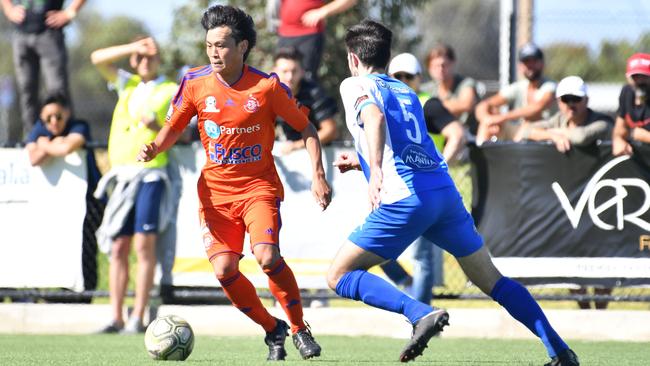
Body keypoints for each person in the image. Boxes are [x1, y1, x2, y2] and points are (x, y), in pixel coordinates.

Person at [328, 19, 579, 366]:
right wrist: (363, 164)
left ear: (353, 58)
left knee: (339, 275)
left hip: (406, 198)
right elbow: (410, 145)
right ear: (388, 57)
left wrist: (375, 174)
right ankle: (560, 351)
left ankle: (418, 313)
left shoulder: (354, 84)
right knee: (493, 281)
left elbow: (374, 119)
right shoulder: (408, 92)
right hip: (443, 194)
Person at [136, 5, 332, 361]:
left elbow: (306, 128)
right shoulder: (195, 83)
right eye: (209, 44)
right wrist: (155, 146)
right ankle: (272, 329)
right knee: (225, 269)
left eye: (222, 45)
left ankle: (298, 327)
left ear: (242, 47)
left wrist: (318, 175)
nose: (214, 52)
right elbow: (174, 128)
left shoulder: (267, 86)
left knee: (267, 256)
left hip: (258, 188)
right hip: (215, 196)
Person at [90, 36, 179, 334]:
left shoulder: (170, 89)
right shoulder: (125, 84)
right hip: (122, 176)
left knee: (143, 245)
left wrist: (157, 127)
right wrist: (133, 46)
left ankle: (137, 316)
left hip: (151, 174)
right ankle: (115, 316)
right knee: (118, 247)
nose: (144, 61)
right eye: (140, 57)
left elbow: (181, 129)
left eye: (150, 56)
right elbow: (97, 57)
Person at [378, 53, 465, 303]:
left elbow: (456, 134)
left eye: (409, 76)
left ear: (418, 79)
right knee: (377, 250)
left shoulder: (427, 104)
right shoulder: (386, 104)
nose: (403, 81)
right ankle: (409, 286)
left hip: (423, 190)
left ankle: (425, 317)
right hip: (396, 188)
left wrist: (439, 167)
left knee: (421, 256)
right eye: (397, 76)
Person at [25, 91, 102, 295]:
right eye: (47, 118)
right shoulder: (39, 129)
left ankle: (85, 294)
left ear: (67, 113)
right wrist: (52, 145)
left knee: (86, 248)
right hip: (57, 202)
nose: (53, 122)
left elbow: (66, 148)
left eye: (58, 116)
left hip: (89, 200)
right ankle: (58, 292)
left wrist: (44, 144)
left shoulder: (79, 126)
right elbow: (33, 158)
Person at [1, 0, 86, 143]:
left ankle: (64, 137)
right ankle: (32, 138)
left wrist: (69, 12)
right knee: (27, 90)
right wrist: (9, 9)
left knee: (57, 90)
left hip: (49, 33)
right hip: (21, 34)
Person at [475, 43, 557, 144]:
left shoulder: (550, 86)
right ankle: (481, 154)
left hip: (545, 132)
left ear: (542, 63)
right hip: (520, 130)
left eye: (534, 61)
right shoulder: (519, 87)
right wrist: (487, 119)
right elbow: (483, 105)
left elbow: (536, 108)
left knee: (525, 128)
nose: (530, 66)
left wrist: (501, 118)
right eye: (526, 61)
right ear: (520, 66)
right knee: (490, 118)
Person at [515, 75, 613, 153]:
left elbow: (580, 137)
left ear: (586, 100)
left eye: (576, 98)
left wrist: (552, 132)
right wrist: (553, 137)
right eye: (565, 99)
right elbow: (525, 130)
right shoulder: (559, 119)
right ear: (559, 102)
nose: (571, 104)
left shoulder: (602, 121)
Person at [268, 0, 358, 80]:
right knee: (279, 77)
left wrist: (322, 12)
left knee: (305, 79)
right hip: (285, 34)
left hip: (309, 34)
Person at [273, 46, 338, 154]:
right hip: (290, 153)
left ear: (302, 72)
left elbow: (330, 131)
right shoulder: (271, 93)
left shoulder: (314, 93)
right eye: (284, 71)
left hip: (320, 153)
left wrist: (296, 146)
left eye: (294, 71)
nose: (289, 77)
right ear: (274, 72)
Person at [426, 43, 480, 134]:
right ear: (429, 69)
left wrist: (434, 109)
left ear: (452, 63)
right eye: (435, 66)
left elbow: (467, 104)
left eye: (443, 65)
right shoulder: (426, 89)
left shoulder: (465, 83)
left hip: (467, 136)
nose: (440, 69)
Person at [612, 52, 650, 156]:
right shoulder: (626, 93)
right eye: (635, 76)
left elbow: (638, 134)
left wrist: (644, 136)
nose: (640, 81)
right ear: (628, 78)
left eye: (644, 76)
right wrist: (618, 139)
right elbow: (620, 127)